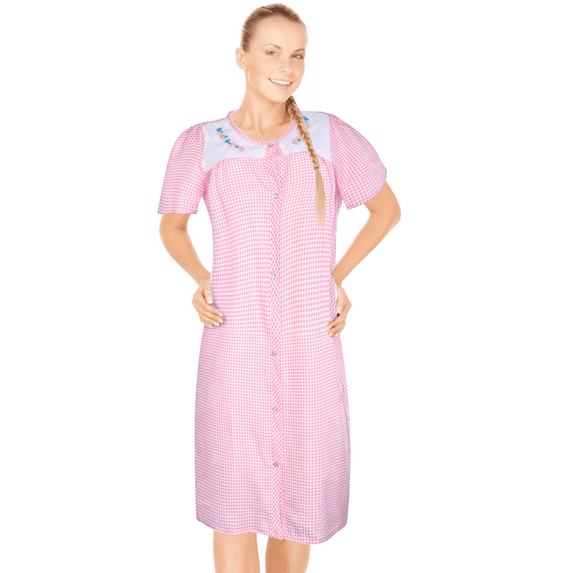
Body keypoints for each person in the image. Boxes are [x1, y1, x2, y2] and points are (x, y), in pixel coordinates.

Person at [157, 4, 401, 573]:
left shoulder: (331, 136)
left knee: (300, 494)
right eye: (272, 52)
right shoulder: (202, 142)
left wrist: (335, 276)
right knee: (234, 499)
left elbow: (386, 211)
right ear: (241, 57)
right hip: (235, 338)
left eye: (297, 55)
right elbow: (172, 226)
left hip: (307, 341)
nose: (286, 66)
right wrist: (201, 277)